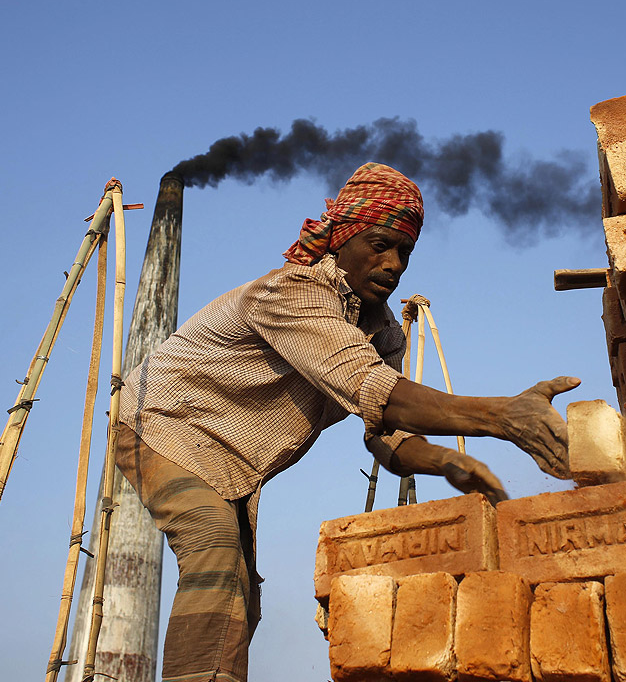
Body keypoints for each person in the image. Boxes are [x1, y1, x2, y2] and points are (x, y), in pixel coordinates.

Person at [115, 162, 579, 682]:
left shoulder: (382, 333)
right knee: (213, 550)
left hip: (230, 460)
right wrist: (504, 418)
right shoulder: (294, 294)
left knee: (242, 593)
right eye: (380, 244)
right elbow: (371, 387)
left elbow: (386, 435)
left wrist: (447, 461)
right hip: (159, 424)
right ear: (341, 237)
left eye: (404, 251)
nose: (394, 263)